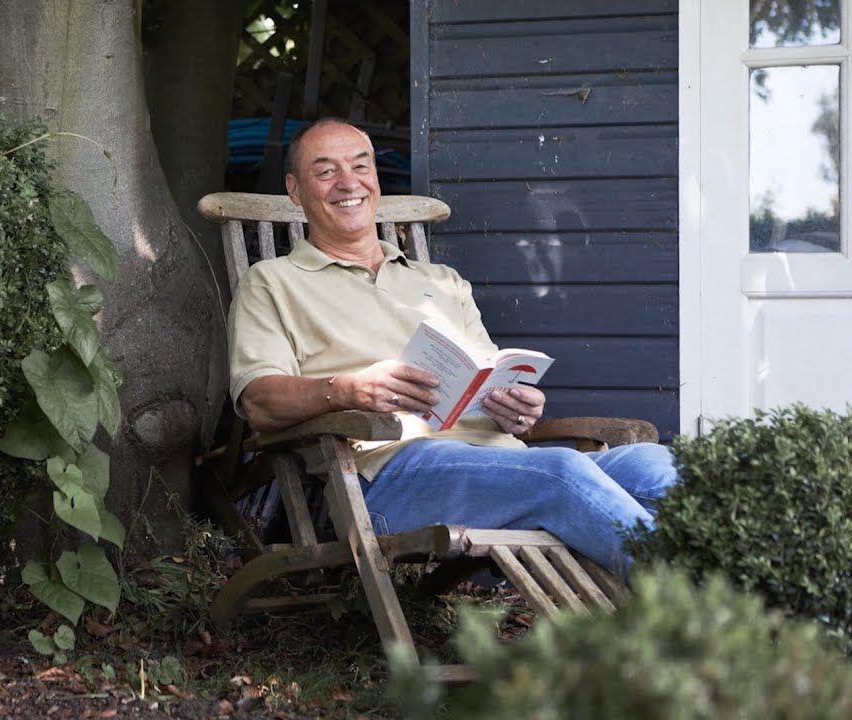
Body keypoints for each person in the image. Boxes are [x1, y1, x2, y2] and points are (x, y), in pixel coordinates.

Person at [227, 118, 677, 576]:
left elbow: (488, 376)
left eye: (361, 166)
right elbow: (258, 401)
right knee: (561, 474)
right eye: (325, 172)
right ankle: (698, 612)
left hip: (508, 466)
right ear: (295, 190)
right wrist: (346, 391)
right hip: (389, 475)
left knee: (658, 466)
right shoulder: (271, 283)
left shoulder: (441, 281)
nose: (349, 183)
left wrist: (515, 407)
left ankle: (724, 599)